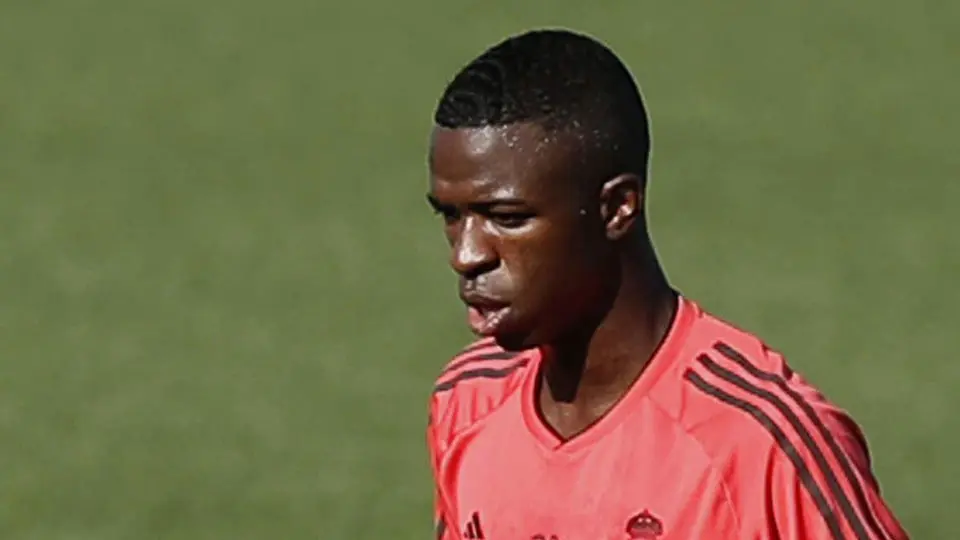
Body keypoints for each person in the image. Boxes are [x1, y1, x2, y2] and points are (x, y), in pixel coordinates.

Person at [424, 28, 908, 540]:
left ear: (617, 207)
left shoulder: (760, 443)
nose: (466, 254)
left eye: (506, 217)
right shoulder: (468, 399)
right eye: (451, 216)